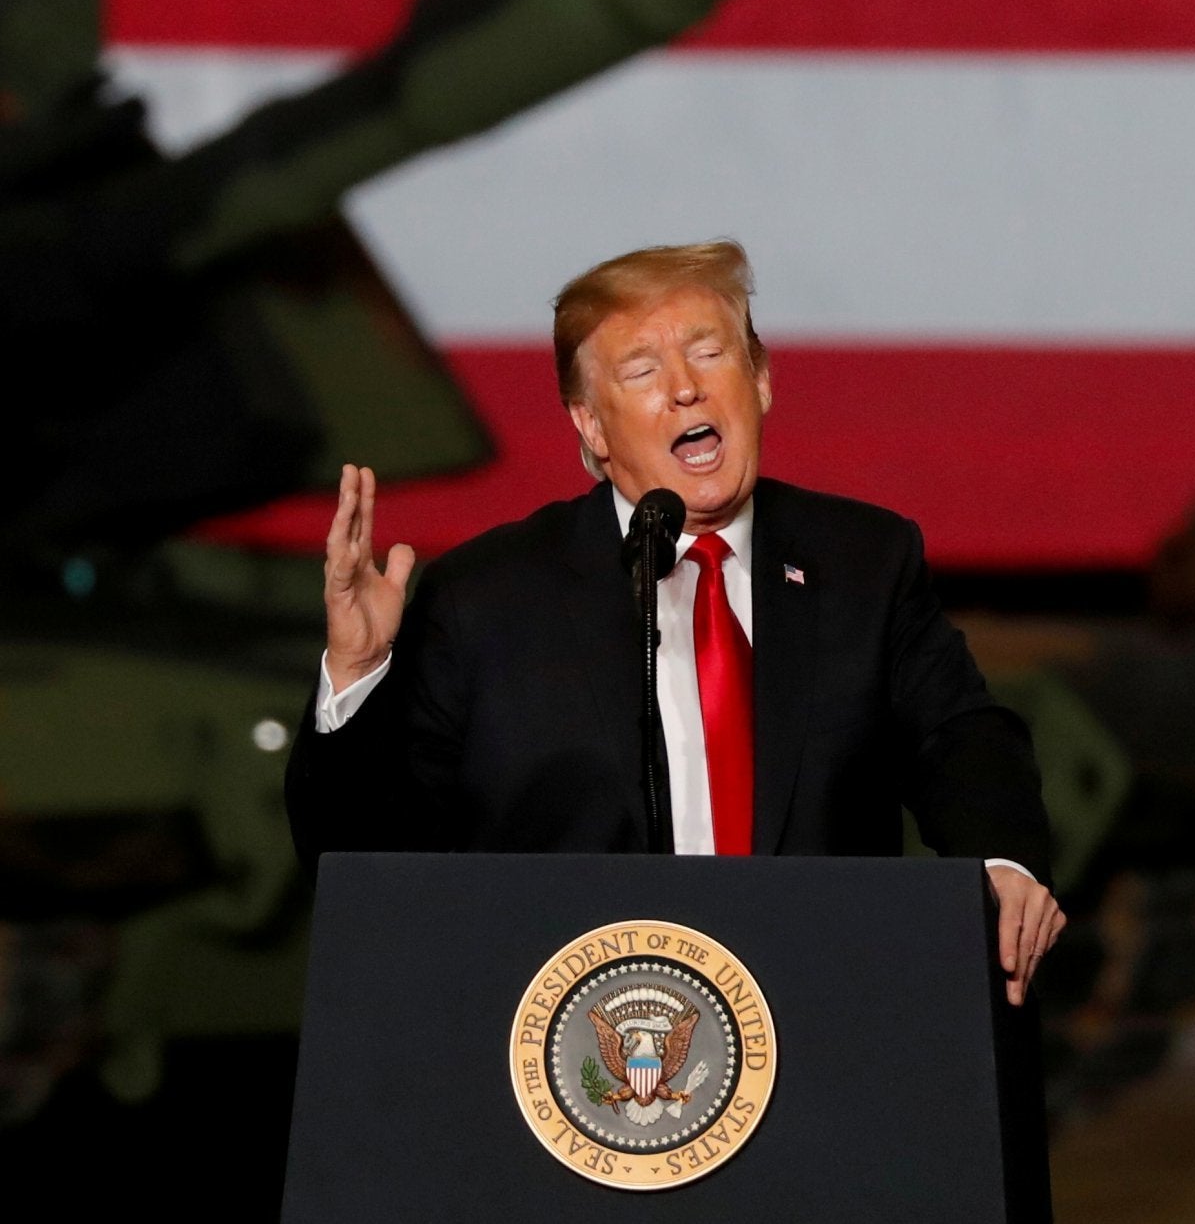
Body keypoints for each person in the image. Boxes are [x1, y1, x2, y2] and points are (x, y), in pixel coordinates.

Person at [285, 239, 1065, 1003]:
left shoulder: (863, 560)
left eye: (710, 354)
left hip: (820, 1010)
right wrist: (357, 676)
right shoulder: (486, 597)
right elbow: (362, 865)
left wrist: (1003, 865)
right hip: (566, 1047)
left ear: (759, 379)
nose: (686, 389)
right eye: (642, 371)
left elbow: (960, 736)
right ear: (592, 426)